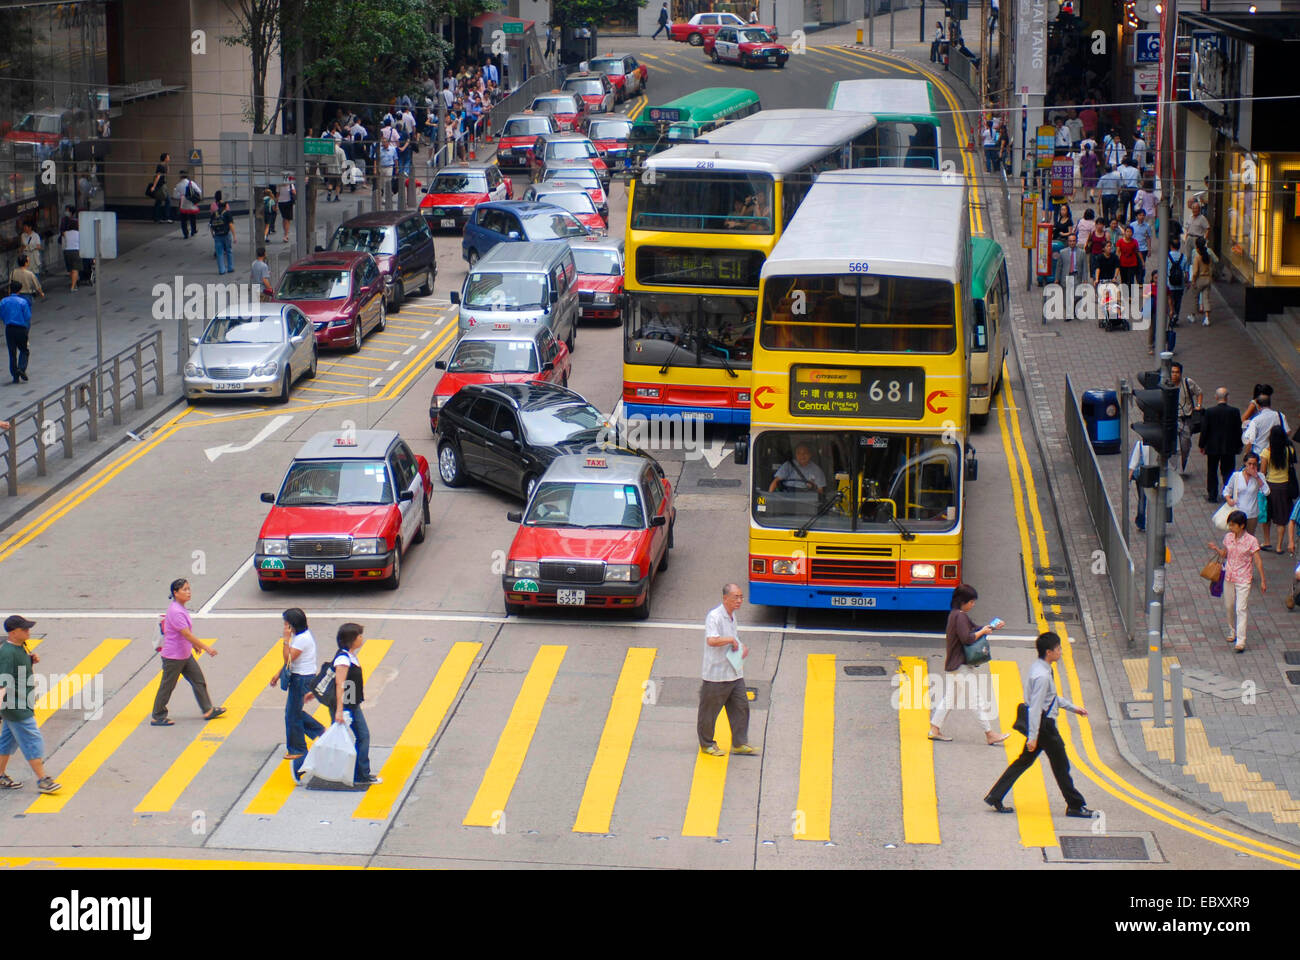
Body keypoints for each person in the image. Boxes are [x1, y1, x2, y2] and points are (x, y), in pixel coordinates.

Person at [983, 632, 1091, 817]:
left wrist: (1073, 708)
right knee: (1061, 765)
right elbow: (1035, 708)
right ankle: (1074, 805)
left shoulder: (1040, 667)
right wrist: (1033, 737)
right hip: (1044, 726)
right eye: (1058, 649)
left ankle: (995, 795)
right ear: (1049, 652)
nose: (1061, 651)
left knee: (1023, 762)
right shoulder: (1042, 676)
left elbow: (1050, 699)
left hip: (1041, 724)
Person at [928, 584, 1010, 745]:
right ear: (963, 601)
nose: (973, 605)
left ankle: (934, 729)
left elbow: (974, 629)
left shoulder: (956, 615)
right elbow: (968, 637)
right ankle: (989, 733)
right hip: (960, 665)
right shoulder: (960, 616)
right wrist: (983, 632)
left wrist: (991, 627)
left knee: (950, 699)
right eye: (971, 602)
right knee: (976, 699)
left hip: (954, 664)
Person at [150, 578, 227, 725]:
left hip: (184, 654)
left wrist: (193, 646)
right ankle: (158, 715)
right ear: (175, 593)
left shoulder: (180, 608)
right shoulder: (176, 611)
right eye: (184, 589)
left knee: (198, 681)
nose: (188, 592)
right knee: (167, 686)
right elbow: (186, 634)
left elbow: (183, 634)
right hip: (173, 657)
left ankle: (208, 710)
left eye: (188, 589)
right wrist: (206, 647)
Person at [0, 615, 61, 794]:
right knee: (32, 740)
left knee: (6, 743)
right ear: (12, 633)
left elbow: (17, 668)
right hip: (16, 706)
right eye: (24, 629)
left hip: (20, 703)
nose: (28, 630)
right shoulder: (7, 653)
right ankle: (43, 780)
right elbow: (2, 682)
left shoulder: (20, 647)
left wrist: (30, 659)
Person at [697, 584, 757, 757]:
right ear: (725, 598)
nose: (739, 601)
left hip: (734, 673)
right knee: (709, 712)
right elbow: (712, 640)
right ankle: (707, 744)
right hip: (716, 675)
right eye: (735, 597)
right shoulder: (714, 617)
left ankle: (739, 743)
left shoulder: (732, 617)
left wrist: (741, 646)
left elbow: (733, 638)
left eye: (741, 597)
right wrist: (730, 640)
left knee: (741, 707)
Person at [268, 608, 325, 777]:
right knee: (294, 712)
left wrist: (285, 640)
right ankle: (319, 731)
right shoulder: (301, 637)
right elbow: (290, 663)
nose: (285, 626)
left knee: (292, 714)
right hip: (300, 676)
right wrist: (278, 674)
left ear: (292, 625)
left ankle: (298, 748)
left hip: (302, 679)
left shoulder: (301, 640)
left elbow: (288, 659)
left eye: (286, 623)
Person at [326, 622, 381, 785]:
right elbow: (339, 683)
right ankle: (361, 774)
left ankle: (354, 771)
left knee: (355, 737)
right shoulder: (343, 659)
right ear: (352, 639)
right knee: (363, 736)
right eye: (359, 636)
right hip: (347, 704)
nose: (362, 638)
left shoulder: (347, 655)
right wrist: (340, 711)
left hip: (350, 702)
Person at [1205, 510, 1265, 653]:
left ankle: (1241, 640)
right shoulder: (1228, 538)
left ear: (1242, 526)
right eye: (1230, 525)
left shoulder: (1251, 541)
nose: (1231, 528)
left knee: (1241, 609)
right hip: (1229, 576)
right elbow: (1225, 554)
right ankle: (1232, 630)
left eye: (1233, 525)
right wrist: (1216, 549)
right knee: (1229, 606)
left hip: (1244, 578)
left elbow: (1257, 560)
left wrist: (1262, 579)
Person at [1201, 388, 1242, 503]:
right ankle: (1228, 493)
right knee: (1228, 471)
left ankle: (1212, 495)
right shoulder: (1234, 411)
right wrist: (1239, 445)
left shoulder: (1209, 411)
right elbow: (1238, 430)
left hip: (1213, 447)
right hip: (1229, 447)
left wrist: (1202, 444)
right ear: (1227, 397)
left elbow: (1205, 430)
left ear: (1216, 397)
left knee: (1212, 470)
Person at [1260, 424, 1295, 553]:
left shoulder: (1266, 452)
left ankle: (1267, 541)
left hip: (1269, 486)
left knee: (1266, 515)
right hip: (1284, 486)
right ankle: (1279, 546)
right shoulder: (1289, 450)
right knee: (1281, 518)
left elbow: (1263, 472)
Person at [1167, 361, 1202, 475]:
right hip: (1172, 419)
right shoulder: (1166, 384)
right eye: (1172, 372)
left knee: (1185, 444)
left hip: (1186, 419)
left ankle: (1183, 464)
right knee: (1171, 444)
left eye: (1177, 372)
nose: (1174, 375)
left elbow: (1199, 392)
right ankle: (1173, 468)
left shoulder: (1187, 382)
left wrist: (1198, 406)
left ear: (1181, 373)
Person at [1223, 452, 1268, 537]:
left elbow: (1266, 491)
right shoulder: (1236, 476)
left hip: (1252, 514)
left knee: (1249, 538)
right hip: (1238, 512)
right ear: (1245, 463)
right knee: (1235, 537)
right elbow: (1227, 489)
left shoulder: (1259, 476)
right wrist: (1228, 499)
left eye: (1254, 464)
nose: (1251, 467)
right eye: (1249, 464)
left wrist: (1257, 477)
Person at [1242, 392, 1287, 460]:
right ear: (1269, 404)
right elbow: (1287, 431)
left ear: (1259, 406)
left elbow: (1250, 440)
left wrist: (1246, 454)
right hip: (1277, 455)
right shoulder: (1280, 416)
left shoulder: (1256, 420)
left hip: (1259, 455)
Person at [2, 282, 31, 384]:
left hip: (9, 328)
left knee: (12, 352)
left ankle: (15, 375)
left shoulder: (3, 301)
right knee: (24, 350)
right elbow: (27, 316)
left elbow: (2, 314)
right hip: (21, 328)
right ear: (20, 290)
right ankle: (21, 369)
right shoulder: (23, 302)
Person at [1129, 436, 1157, 532]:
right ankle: (1157, 520)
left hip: (1143, 476)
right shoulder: (1158, 444)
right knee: (1156, 498)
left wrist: (1128, 478)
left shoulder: (1140, 444)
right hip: (1155, 475)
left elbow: (1134, 463)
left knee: (1142, 499)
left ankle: (1141, 522)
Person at [1189, 237, 1213, 326]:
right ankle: (1207, 318)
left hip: (1200, 279)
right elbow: (1211, 268)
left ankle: (1192, 315)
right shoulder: (1208, 256)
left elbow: (1195, 272)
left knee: (1195, 297)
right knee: (1206, 298)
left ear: (1197, 247)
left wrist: (1193, 281)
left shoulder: (1197, 258)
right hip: (1207, 279)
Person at [1166, 237, 1187, 337]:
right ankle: (1176, 316)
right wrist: (1187, 282)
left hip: (1169, 284)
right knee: (1178, 301)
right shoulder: (1184, 257)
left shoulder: (1167, 257)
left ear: (1170, 246)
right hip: (1180, 284)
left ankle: (1171, 316)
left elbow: (1165, 271)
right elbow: (1186, 272)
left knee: (1170, 301)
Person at [173, 168, 201, 239]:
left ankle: (185, 233)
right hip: (191, 202)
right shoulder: (191, 183)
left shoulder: (178, 185)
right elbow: (199, 191)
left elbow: (175, 196)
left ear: (180, 176)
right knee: (192, 217)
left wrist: (182, 195)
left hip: (183, 202)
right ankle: (193, 230)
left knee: (183, 219)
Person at [209, 199, 235, 275]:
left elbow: (211, 225)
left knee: (219, 253)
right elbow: (231, 225)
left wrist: (212, 234)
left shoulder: (214, 214)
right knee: (229, 251)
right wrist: (234, 236)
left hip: (217, 235)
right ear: (225, 206)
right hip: (226, 235)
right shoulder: (227, 213)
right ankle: (230, 268)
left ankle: (222, 270)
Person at [59, 207, 81, 291]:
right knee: (75, 269)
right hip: (75, 251)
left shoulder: (65, 233)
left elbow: (63, 239)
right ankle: (73, 286)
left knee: (70, 269)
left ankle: (73, 283)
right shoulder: (78, 233)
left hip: (67, 251)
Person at [150, 152, 172, 223]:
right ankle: (165, 217)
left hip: (162, 185)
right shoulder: (160, 166)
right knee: (167, 200)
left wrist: (167, 165)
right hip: (160, 186)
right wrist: (154, 186)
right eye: (168, 157)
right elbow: (158, 176)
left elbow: (167, 173)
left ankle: (156, 218)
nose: (169, 158)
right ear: (165, 158)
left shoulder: (164, 165)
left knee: (158, 202)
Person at [278, 177, 296, 243]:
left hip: (285, 202)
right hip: (285, 202)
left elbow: (277, 193)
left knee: (286, 218)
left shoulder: (289, 184)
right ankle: (286, 235)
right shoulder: (288, 184)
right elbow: (277, 194)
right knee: (286, 219)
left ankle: (285, 233)